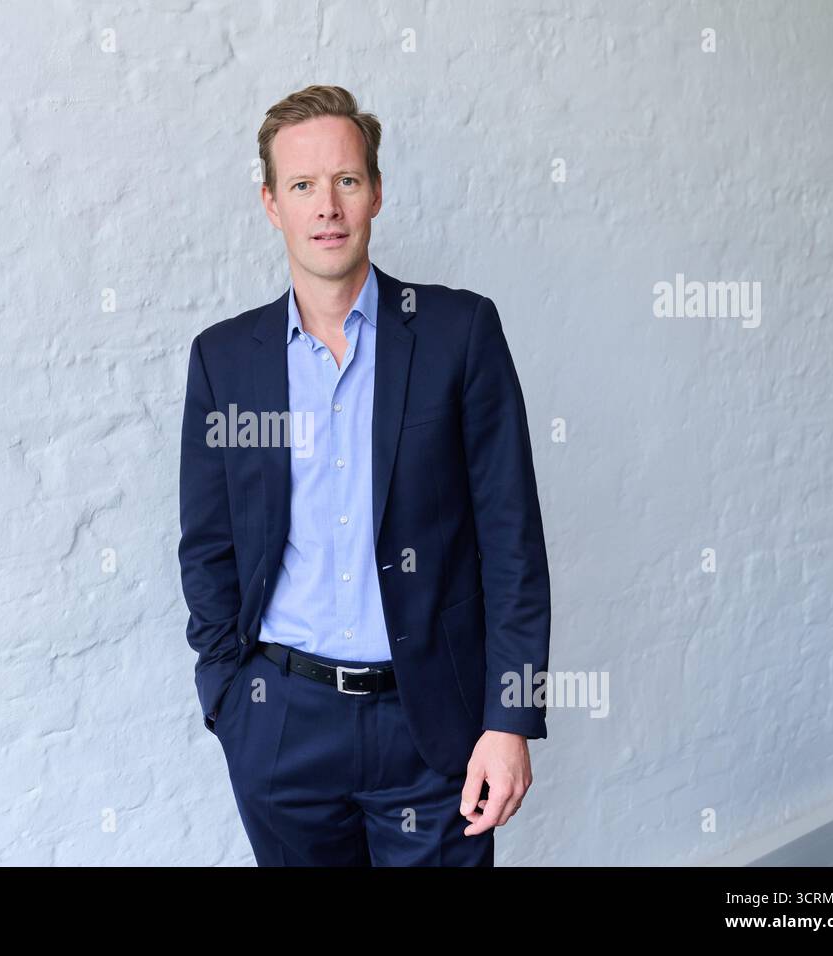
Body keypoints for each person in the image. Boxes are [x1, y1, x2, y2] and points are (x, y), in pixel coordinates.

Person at [177, 84, 551, 866]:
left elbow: (513, 542)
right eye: (303, 186)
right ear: (271, 204)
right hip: (281, 726)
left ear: (376, 192)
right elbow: (208, 545)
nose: (328, 206)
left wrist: (509, 719)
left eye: (346, 181)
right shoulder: (224, 360)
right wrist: (230, 702)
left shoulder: (458, 332)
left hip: (433, 726)